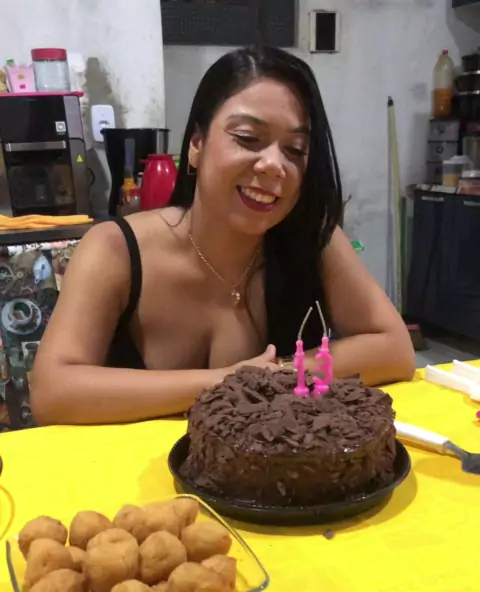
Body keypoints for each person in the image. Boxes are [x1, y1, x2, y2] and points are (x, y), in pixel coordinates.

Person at [31, 46, 415, 426]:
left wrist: (277, 374)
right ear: (196, 146)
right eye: (247, 138)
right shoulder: (114, 249)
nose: (274, 165)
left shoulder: (314, 238)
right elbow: (52, 391)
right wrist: (229, 382)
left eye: (295, 149)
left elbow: (395, 349)